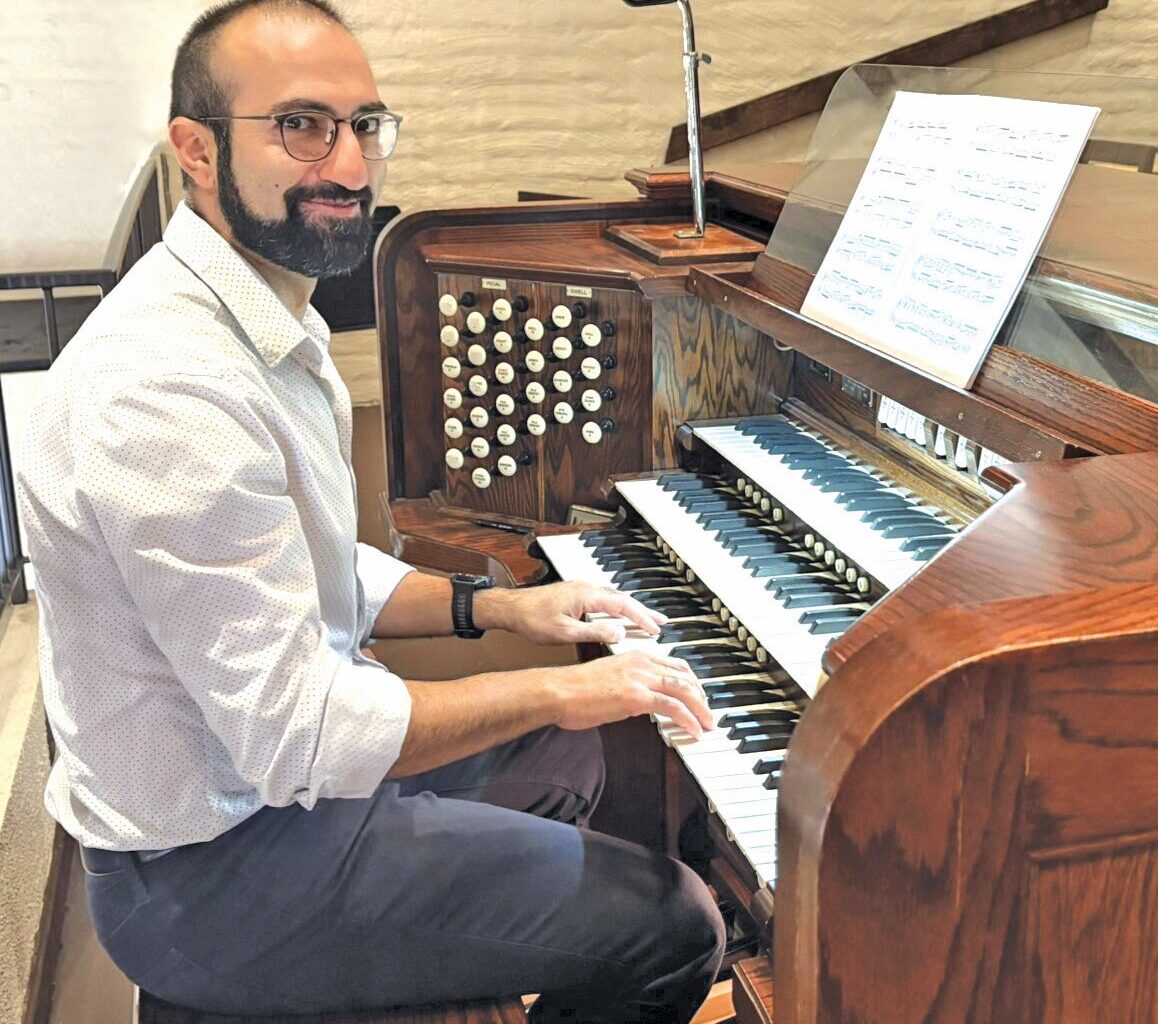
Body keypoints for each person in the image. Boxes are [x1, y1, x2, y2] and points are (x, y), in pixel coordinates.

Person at [15, 1, 725, 1021]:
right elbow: (304, 735)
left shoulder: (249, 311)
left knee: (576, 753)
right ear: (196, 150)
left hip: (265, 800)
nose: (350, 166)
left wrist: (497, 610)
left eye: (366, 127)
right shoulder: (164, 391)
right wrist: (566, 689)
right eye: (301, 126)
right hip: (212, 877)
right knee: (672, 927)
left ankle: (477, 940)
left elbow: (311, 565)